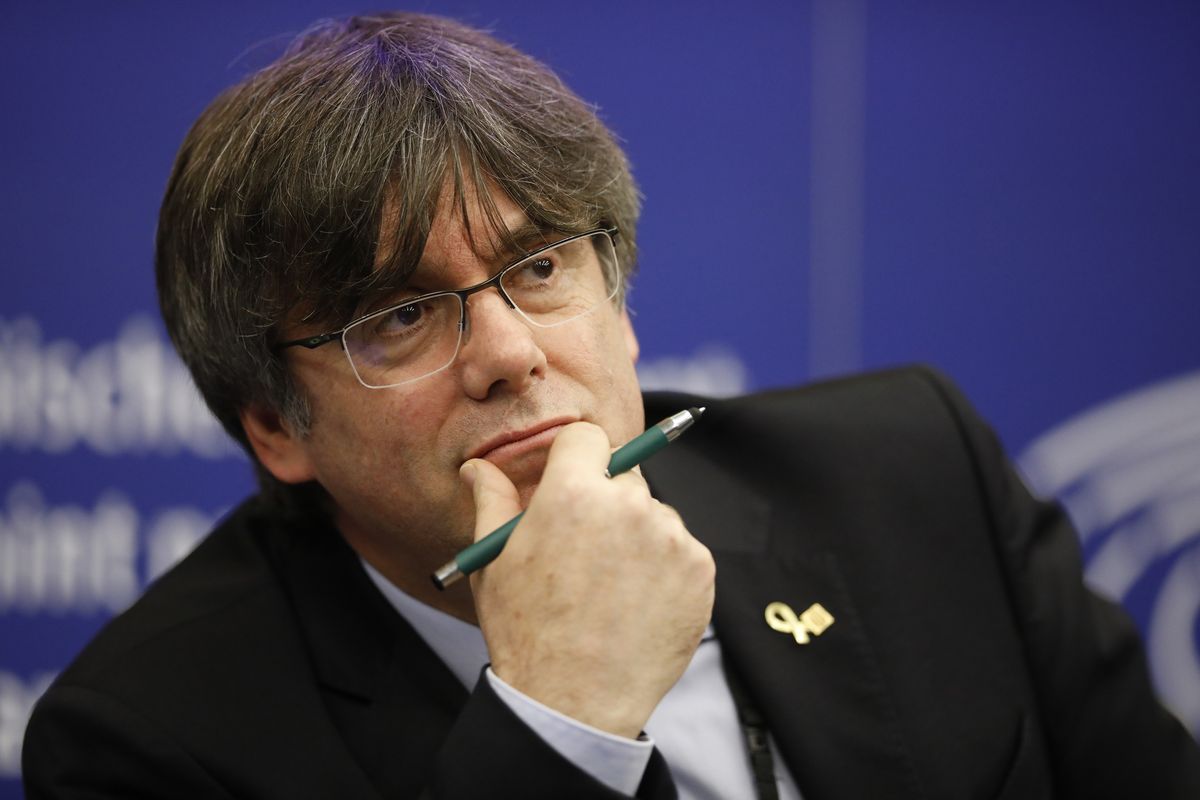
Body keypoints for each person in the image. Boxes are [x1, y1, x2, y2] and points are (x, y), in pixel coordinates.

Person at [22, 11, 1200, 799]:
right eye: (397, 316)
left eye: (539, 269)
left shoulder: (912, 475)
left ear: (620, 301)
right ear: (274, 425)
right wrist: (556, 719)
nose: (509, 352)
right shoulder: (149, 740)